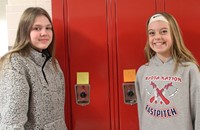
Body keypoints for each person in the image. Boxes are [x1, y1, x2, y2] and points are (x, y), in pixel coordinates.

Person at [0, 7, 68, 130]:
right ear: (24, 31)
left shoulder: (53, 63)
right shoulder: (15, 64)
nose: (44, 33)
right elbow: (11, 124)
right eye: (37, 28)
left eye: (48, 28)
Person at [135, 12, 200, 130]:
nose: (157, 37)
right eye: (152, 33)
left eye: (164, 31)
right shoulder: (142, 72)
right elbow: (142, 114)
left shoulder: (189, 70)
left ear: (174, 34)